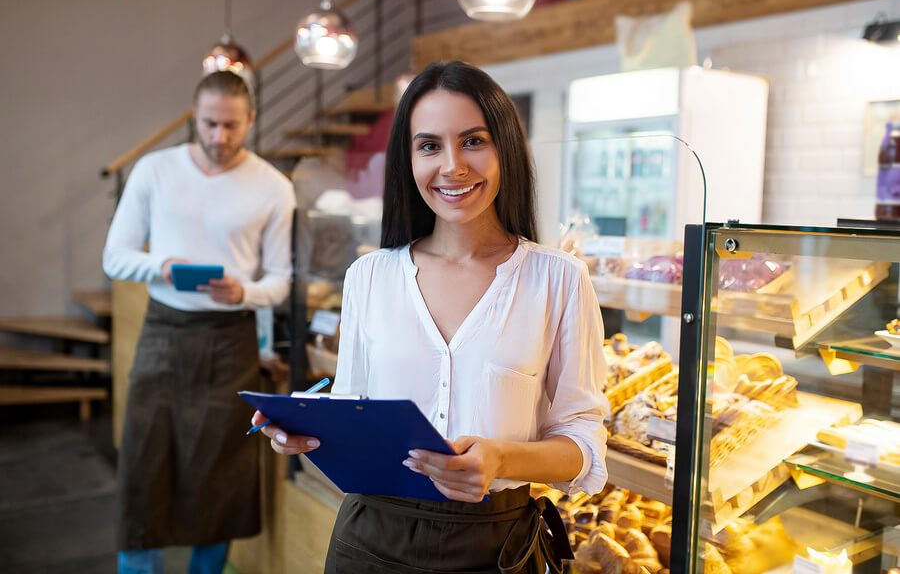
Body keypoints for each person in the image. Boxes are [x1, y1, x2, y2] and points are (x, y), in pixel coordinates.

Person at [252, 61, 609, 573]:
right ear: (408, 159)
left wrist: (502, 459)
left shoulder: (559, 279)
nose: (452, 166)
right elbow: (354, 409)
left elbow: (584, 445)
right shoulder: (368, 276)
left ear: (504, 147)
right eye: (429, 146)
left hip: (498, 547)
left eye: (473, 141)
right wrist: (305, 429)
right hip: (370, 541)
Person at [103, 70, 296, 574]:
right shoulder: (154, 170)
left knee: (219, 477)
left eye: (232, 125)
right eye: (209, 124)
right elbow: (115, 258)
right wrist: (160, 266)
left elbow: (280, 281)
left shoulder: (274, 187)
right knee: (145, 467)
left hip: (231, 342)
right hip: (163, 331)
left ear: (251, 120)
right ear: (194, 117)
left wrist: (245, 292)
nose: (219, 137)